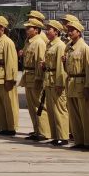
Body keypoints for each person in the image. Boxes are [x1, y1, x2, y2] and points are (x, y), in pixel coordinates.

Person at [60, 16, 89, 150]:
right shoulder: (68, 47)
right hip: (71, 83)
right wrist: (64, 62)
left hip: (82, 83)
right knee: (74, 115)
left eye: (72, 30)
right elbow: (67, 68)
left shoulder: (84, 48)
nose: (69, 32)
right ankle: (79, 140)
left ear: (79, 32)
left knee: (85, 115)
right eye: (69, 30)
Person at [19, 13, 51, 142]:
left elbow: (40, 62)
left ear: (36, 30)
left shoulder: (39, 42)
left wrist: (39, 78)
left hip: (35, 76)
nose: (27, 30)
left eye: (29, 28)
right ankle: (37, 129)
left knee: (39, 104)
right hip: (28, 75)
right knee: (32, 106)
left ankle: (44, 131)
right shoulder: (29, 42)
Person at [0, 15, 21, 136]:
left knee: (9, 104)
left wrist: (10, 79)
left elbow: (11, 62)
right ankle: (3, 127)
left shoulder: (7, 42)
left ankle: (11, 127)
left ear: (2, 28)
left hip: (5, 77)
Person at [41, 18, 70, 147]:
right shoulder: (49, 44)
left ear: (56, 32)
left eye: (49, 29)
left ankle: (63, 136)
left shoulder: (60, 46)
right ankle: (56, 135)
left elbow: (60, 67)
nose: (47, 32)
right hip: (49, 79)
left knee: (59, 109)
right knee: (52, 110)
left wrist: (60, 83)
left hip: (55, 80)